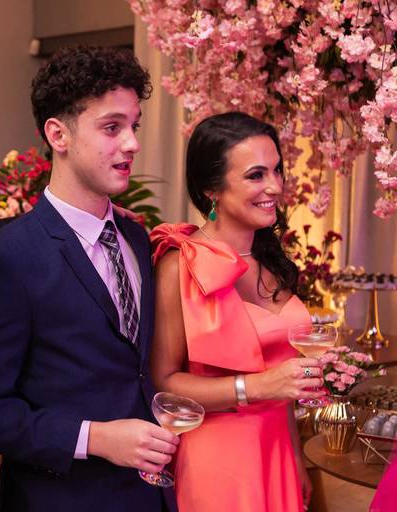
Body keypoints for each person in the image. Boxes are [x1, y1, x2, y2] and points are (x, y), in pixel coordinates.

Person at [0, 46, 179, 512]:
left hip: (150, 495)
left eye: (134, 126)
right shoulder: (7, 259)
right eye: (111, 127)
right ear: (57, 134)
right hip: (60, 497)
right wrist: (94, 438)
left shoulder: (135, 237)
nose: (132, 144)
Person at [149, 111, 325, 511]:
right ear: (211, 188)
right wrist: (257, 387)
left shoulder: (272, 259)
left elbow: (286, 385)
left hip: (277, 448)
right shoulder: (179, 264)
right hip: (218, 460)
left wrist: (296, 456)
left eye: (277, 170)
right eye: (255, 175)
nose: (275, 186)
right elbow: (164, 384)